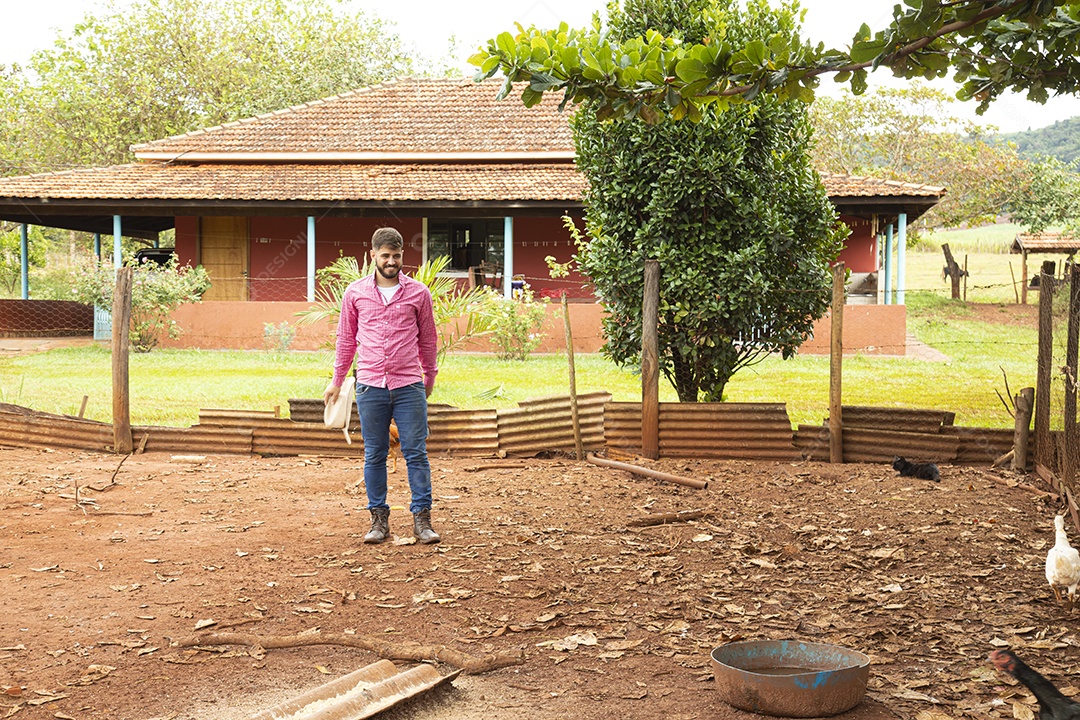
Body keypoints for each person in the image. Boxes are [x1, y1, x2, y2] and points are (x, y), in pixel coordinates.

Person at [323, 227, 440, 544]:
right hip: (370, 385)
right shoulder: (355, 293)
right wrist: (336, 381)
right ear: (372, 255)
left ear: (403, 256)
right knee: (374, 454)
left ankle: (422, 520)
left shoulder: (418, 293)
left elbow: (428, 340)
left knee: (416, 453)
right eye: (385, 255)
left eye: (396, 256)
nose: (391, 261)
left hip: (408, 386)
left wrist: (429, 377)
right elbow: (346, 341)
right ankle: (378, 520)